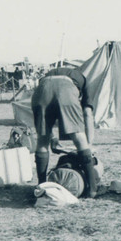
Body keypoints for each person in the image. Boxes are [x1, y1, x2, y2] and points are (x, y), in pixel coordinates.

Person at [31, 67, 98, 197]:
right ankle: (92, 189)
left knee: (42, 140)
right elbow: (87, 114)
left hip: (41, 90)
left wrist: (53, 139)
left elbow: (49, 94)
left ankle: (41, 186)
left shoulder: (49, 74)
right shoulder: (83, 79)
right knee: (79, 137)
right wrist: (89, 145)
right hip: (66, 90)